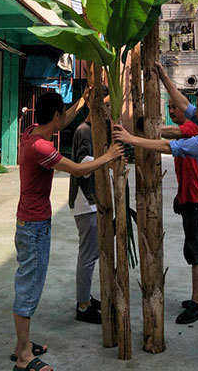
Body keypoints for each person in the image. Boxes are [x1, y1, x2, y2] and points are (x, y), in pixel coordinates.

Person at [113, 64, 198, 369]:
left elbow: (168, 145)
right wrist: (164, 77)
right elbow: (183, 104)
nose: (194, 112)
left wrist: (131, 139)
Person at [12, 88, 122, 371]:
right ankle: (24, 355)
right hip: (34, 225)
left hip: (31, 221)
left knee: (30, 283)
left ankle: (21, 343)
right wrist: (109, 155)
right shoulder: (42, 149)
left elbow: (65, 118)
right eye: (63, 114)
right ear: (56, 116)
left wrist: (84, 99)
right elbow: (77, 169)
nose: (66, 118)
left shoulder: (33, 132)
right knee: (29, 287)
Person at [161, 98, 198, 324]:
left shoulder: (191, 128)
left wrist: (147, 128)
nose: (171, 110)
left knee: (196, 253)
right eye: (169, 108)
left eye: (174, 107)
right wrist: (179, 195)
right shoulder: (191, 129)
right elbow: (186, 171)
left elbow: (173, 134)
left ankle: (196, 304)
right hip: (192, 198)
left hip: (196, 201)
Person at [68, 109, 102, 323]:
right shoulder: (84, 131)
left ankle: (85, 297)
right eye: (105, 107)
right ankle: (83, 305)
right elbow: (83, 166)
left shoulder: (93, 130)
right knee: (88, 256)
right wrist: (106, 159)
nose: (107, 111)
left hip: (90, 201)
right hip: (85, 202)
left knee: (90, 254)